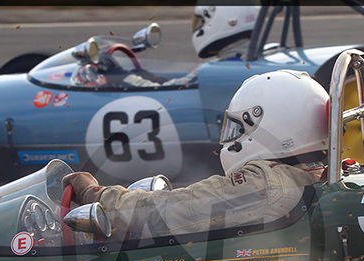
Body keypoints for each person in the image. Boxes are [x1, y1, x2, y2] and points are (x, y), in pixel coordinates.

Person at [64, 69, 330, 241]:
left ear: (269, 124)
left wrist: (95, 195)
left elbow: (164, 211)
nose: (231, 137)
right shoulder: (319, 173)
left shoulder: (264, 186)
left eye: (238, 127)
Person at [123, 4, 260, 87]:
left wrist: (123, 78)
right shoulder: (257, 58)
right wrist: (145, 76)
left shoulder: (212, 72)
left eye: (202, 21)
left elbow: (167, 92)